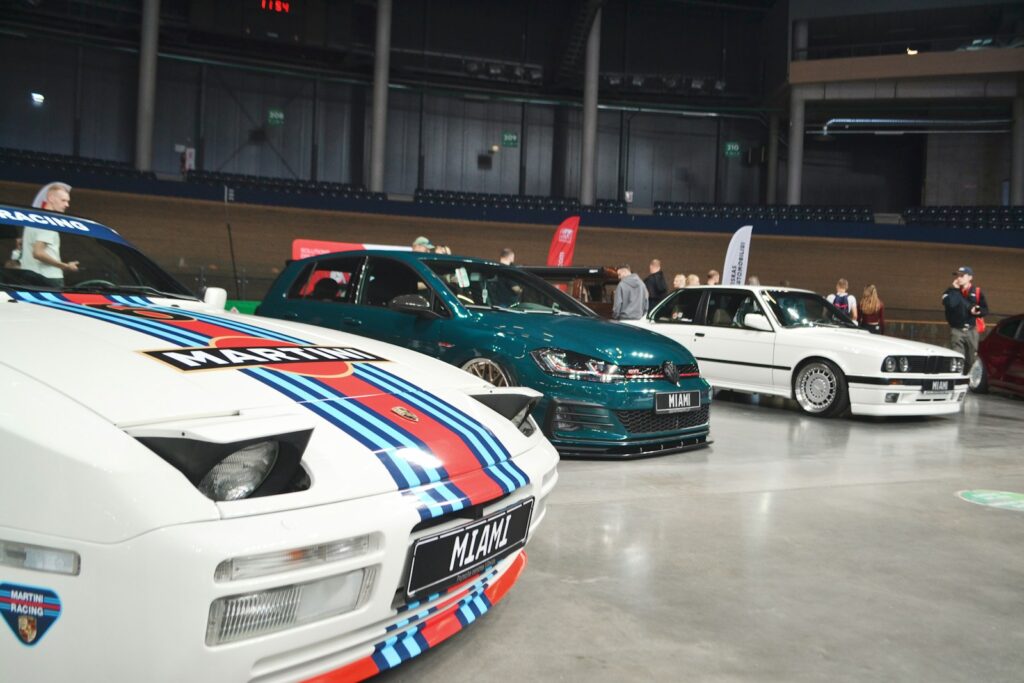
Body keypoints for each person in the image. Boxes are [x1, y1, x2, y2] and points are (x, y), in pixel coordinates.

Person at [20, 182, 78, 287]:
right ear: (51, 198)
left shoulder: (32, 219)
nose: (67, 205)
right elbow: (38, 253)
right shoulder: (49, 221)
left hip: (27, 277)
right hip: (49, 279)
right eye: (63, 200)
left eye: (68, 201)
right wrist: (65, 266)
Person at [942, 266, 988, 369]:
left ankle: (969, 378)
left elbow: (985, 310)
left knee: (972, 358)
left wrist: (977, 311)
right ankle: (958, 377)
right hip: (957, 329)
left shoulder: (977, 292)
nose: (959, 278)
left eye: (962, 276)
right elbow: (951, 303)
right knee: (957, 357)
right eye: (957, 276)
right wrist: (955, 289)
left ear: (970, 277)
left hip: (972, 330)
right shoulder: (950, 292)